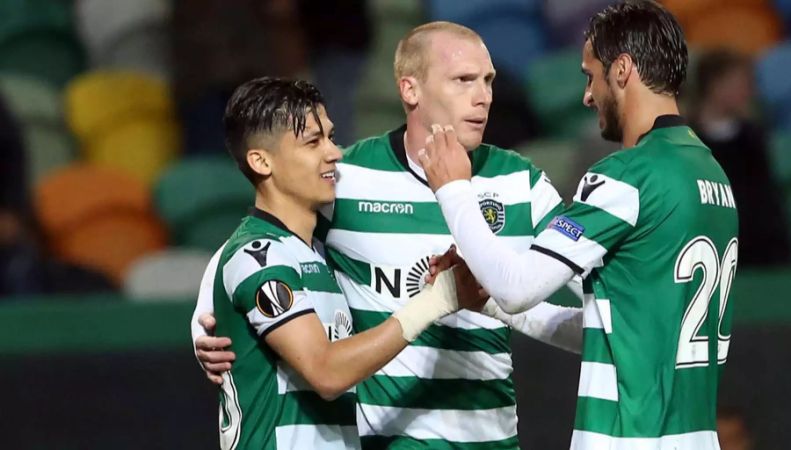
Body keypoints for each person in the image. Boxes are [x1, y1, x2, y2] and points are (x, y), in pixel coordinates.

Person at [194, 21, 584, 449]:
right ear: (409, 90)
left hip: (491, 438)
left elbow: (595, 292)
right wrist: (204, 322)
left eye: (488, 80)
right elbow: (261, 244)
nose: (484, 96)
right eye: (463, 80)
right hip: (385, 440)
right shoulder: (347, 179)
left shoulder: (521, 183)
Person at [419, 2, 739, 449]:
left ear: (622, 70)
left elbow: (517, 287)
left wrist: (453, 190)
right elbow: (614, 331)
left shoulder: (629, 176)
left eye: (591, 75)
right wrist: (486, 302)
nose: (587, 96)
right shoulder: (712, 176)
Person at [205, 77, 484, 449]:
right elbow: (326, 372)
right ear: (261, 160)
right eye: (312, 142)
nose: (334, 153)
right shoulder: (259, 255)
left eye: (331, 138)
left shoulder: (317, 254)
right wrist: (435, 301)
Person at [689, 48, 791, 266]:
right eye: (740, 84)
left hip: (754, 254)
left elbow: (766, 205)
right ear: (714, 85)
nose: (748, 92)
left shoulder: (753, 140)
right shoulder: (686, 141)